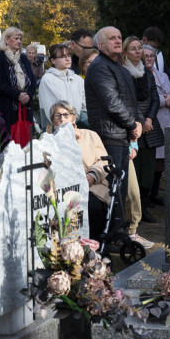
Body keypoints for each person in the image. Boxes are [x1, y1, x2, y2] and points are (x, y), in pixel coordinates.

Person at [83, 26, 149, 248]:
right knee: (110, 190)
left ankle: (115, 236)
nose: (117, 41)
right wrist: (132, 124)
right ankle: (105, 239)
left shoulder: (119, 67)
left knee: (120, 190)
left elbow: (132, 101)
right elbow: (112, 102)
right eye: (112, 38)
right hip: (108, 135)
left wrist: (138, 122)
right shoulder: (100, 68)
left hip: (121, 134)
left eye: (120, 37)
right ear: (100, 45)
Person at [50, 101, 111, 242]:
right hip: (61, 189)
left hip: (92, 186)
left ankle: (92, 245)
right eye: (57, 115)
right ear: (52, 120)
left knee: (91, 207)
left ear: (74, 118)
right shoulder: (49, 140)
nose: (62, 119)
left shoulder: (90, 136)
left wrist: (92, 176)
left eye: (66, 115)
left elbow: (103, 161)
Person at [121, 35, 163, 222]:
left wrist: (149, 119)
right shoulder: (122, 72)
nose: (138, 52)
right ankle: (132, 210)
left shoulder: (147, 72)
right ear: (125, 52)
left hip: (149, 126)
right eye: (133, 48)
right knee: (134, 172)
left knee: (148, 171)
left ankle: (144, 206)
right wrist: (140, 121)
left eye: (139, 48)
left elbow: (155, 98)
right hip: (131, 127)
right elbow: (128, 102)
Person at [0, 26, 37, 147]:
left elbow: (32, 79)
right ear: (6, 39)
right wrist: (17, 95)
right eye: (16, 38)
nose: (19, 42)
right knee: (8, 145)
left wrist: (28, 95)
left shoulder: (23, 58)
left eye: (20, 39)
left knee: (25, 145)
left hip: (24, 107)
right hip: (6, 107)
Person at [144, 43, 170, 204]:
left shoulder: (162, 75)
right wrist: (165, 99)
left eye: (152, 56)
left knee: (161, 162)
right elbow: (150, 98)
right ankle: (148, 193)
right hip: (153, 121)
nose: (149, 59)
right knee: (152, 161)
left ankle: (155, 192)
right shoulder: (140, 75)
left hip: (166, 121)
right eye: (146, 56)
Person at [38, 42, 85, 131]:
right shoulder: (47, 79)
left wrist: (82, 122)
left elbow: (84, 103)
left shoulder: (78, 79)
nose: (67, 59)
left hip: (78, 127)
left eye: (68, 55)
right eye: (62, 56)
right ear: (53, 60)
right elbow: (53, 109)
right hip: (55, 128)